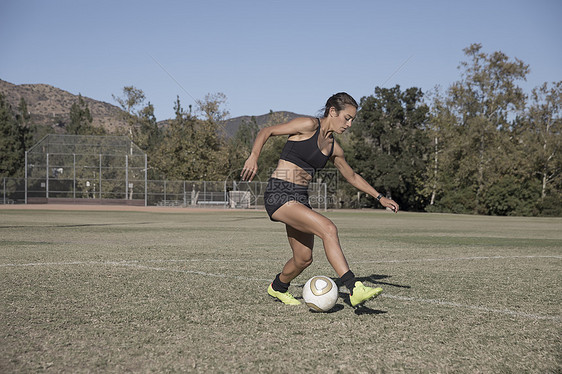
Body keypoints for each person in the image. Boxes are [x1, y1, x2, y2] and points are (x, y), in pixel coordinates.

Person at [240, 92, 399, 308]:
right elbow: (267, 131)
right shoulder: (307, 125)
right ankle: (354, 287)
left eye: (352, 120)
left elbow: (351, 176)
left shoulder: (334, 148)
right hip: (279, 193)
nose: (349, 124)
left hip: (300, 199)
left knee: (303, 259)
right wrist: (254, 156)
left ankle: (277, 287)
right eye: (347, 118)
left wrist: (379, 197)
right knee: (328, 228)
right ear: (332, 111)